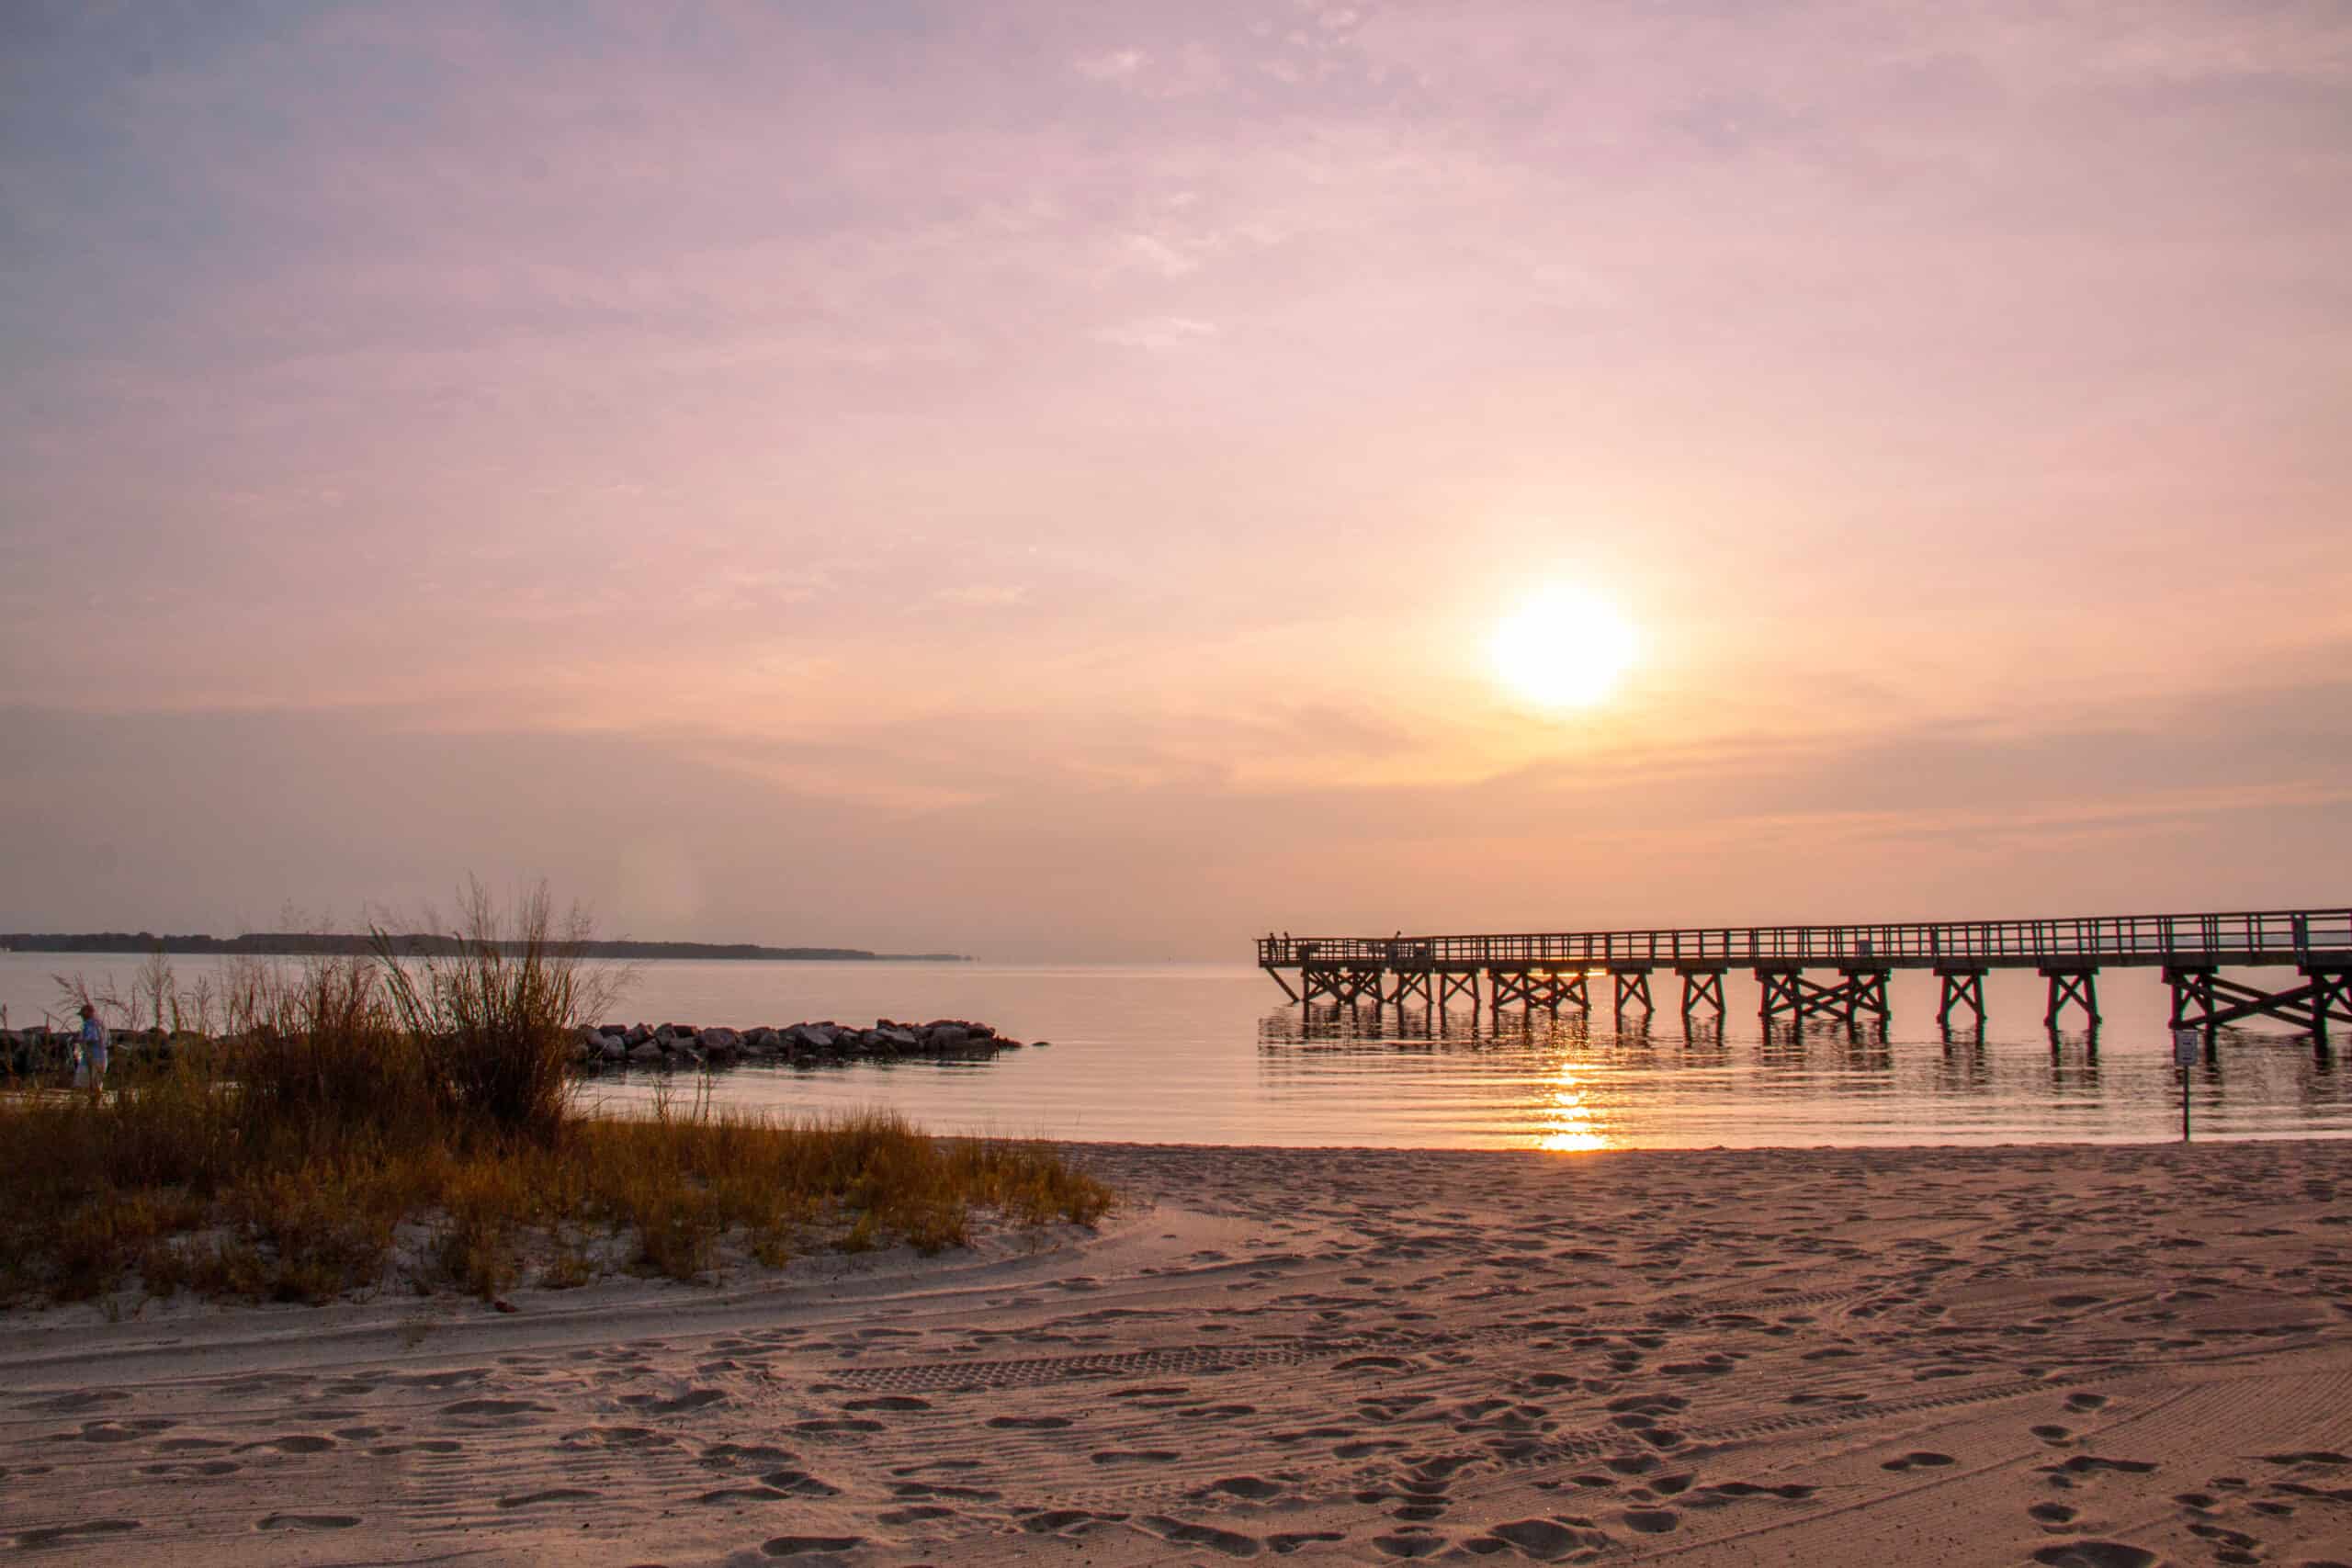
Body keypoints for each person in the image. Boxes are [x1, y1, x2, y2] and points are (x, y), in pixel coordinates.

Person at [75, 1003, 107, 1100]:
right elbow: (107, 1041)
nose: (82, 1017)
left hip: (91, 1058)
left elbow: (92, 1038)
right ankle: (95, 1109)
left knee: (84, 1086)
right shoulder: (101, 1024)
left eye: (82, 1014)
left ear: (88, 1013)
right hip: (102, 1058)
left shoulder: (89, 1023)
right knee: (96, 1086)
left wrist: (80, 1040)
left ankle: (90, 1110)